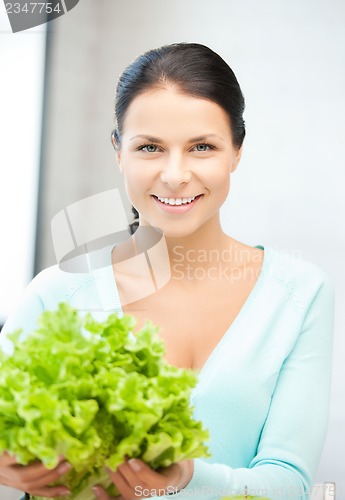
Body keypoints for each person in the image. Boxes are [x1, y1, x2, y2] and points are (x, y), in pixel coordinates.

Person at [0, 43, 335, 500]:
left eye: (202, 146)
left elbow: (290, 483)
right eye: (150, 147)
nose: (175, 175)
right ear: (119, 151)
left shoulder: (299, 294)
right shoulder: (56, 293)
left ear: (237, 152)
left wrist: (186, 480)